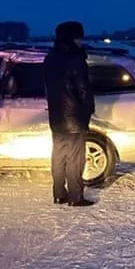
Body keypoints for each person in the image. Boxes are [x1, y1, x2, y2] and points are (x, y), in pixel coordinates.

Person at [42, 20, 95, 206]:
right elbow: (83, 89)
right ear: (72, 38)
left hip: (56, 116)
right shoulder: (75, 58)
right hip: (74, 116)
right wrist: (88, 109)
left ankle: (58, 193)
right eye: (79, 37)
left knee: (58, 155)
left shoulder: (50, 58)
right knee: (75, 157)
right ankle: (75, 196)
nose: (81, 41)